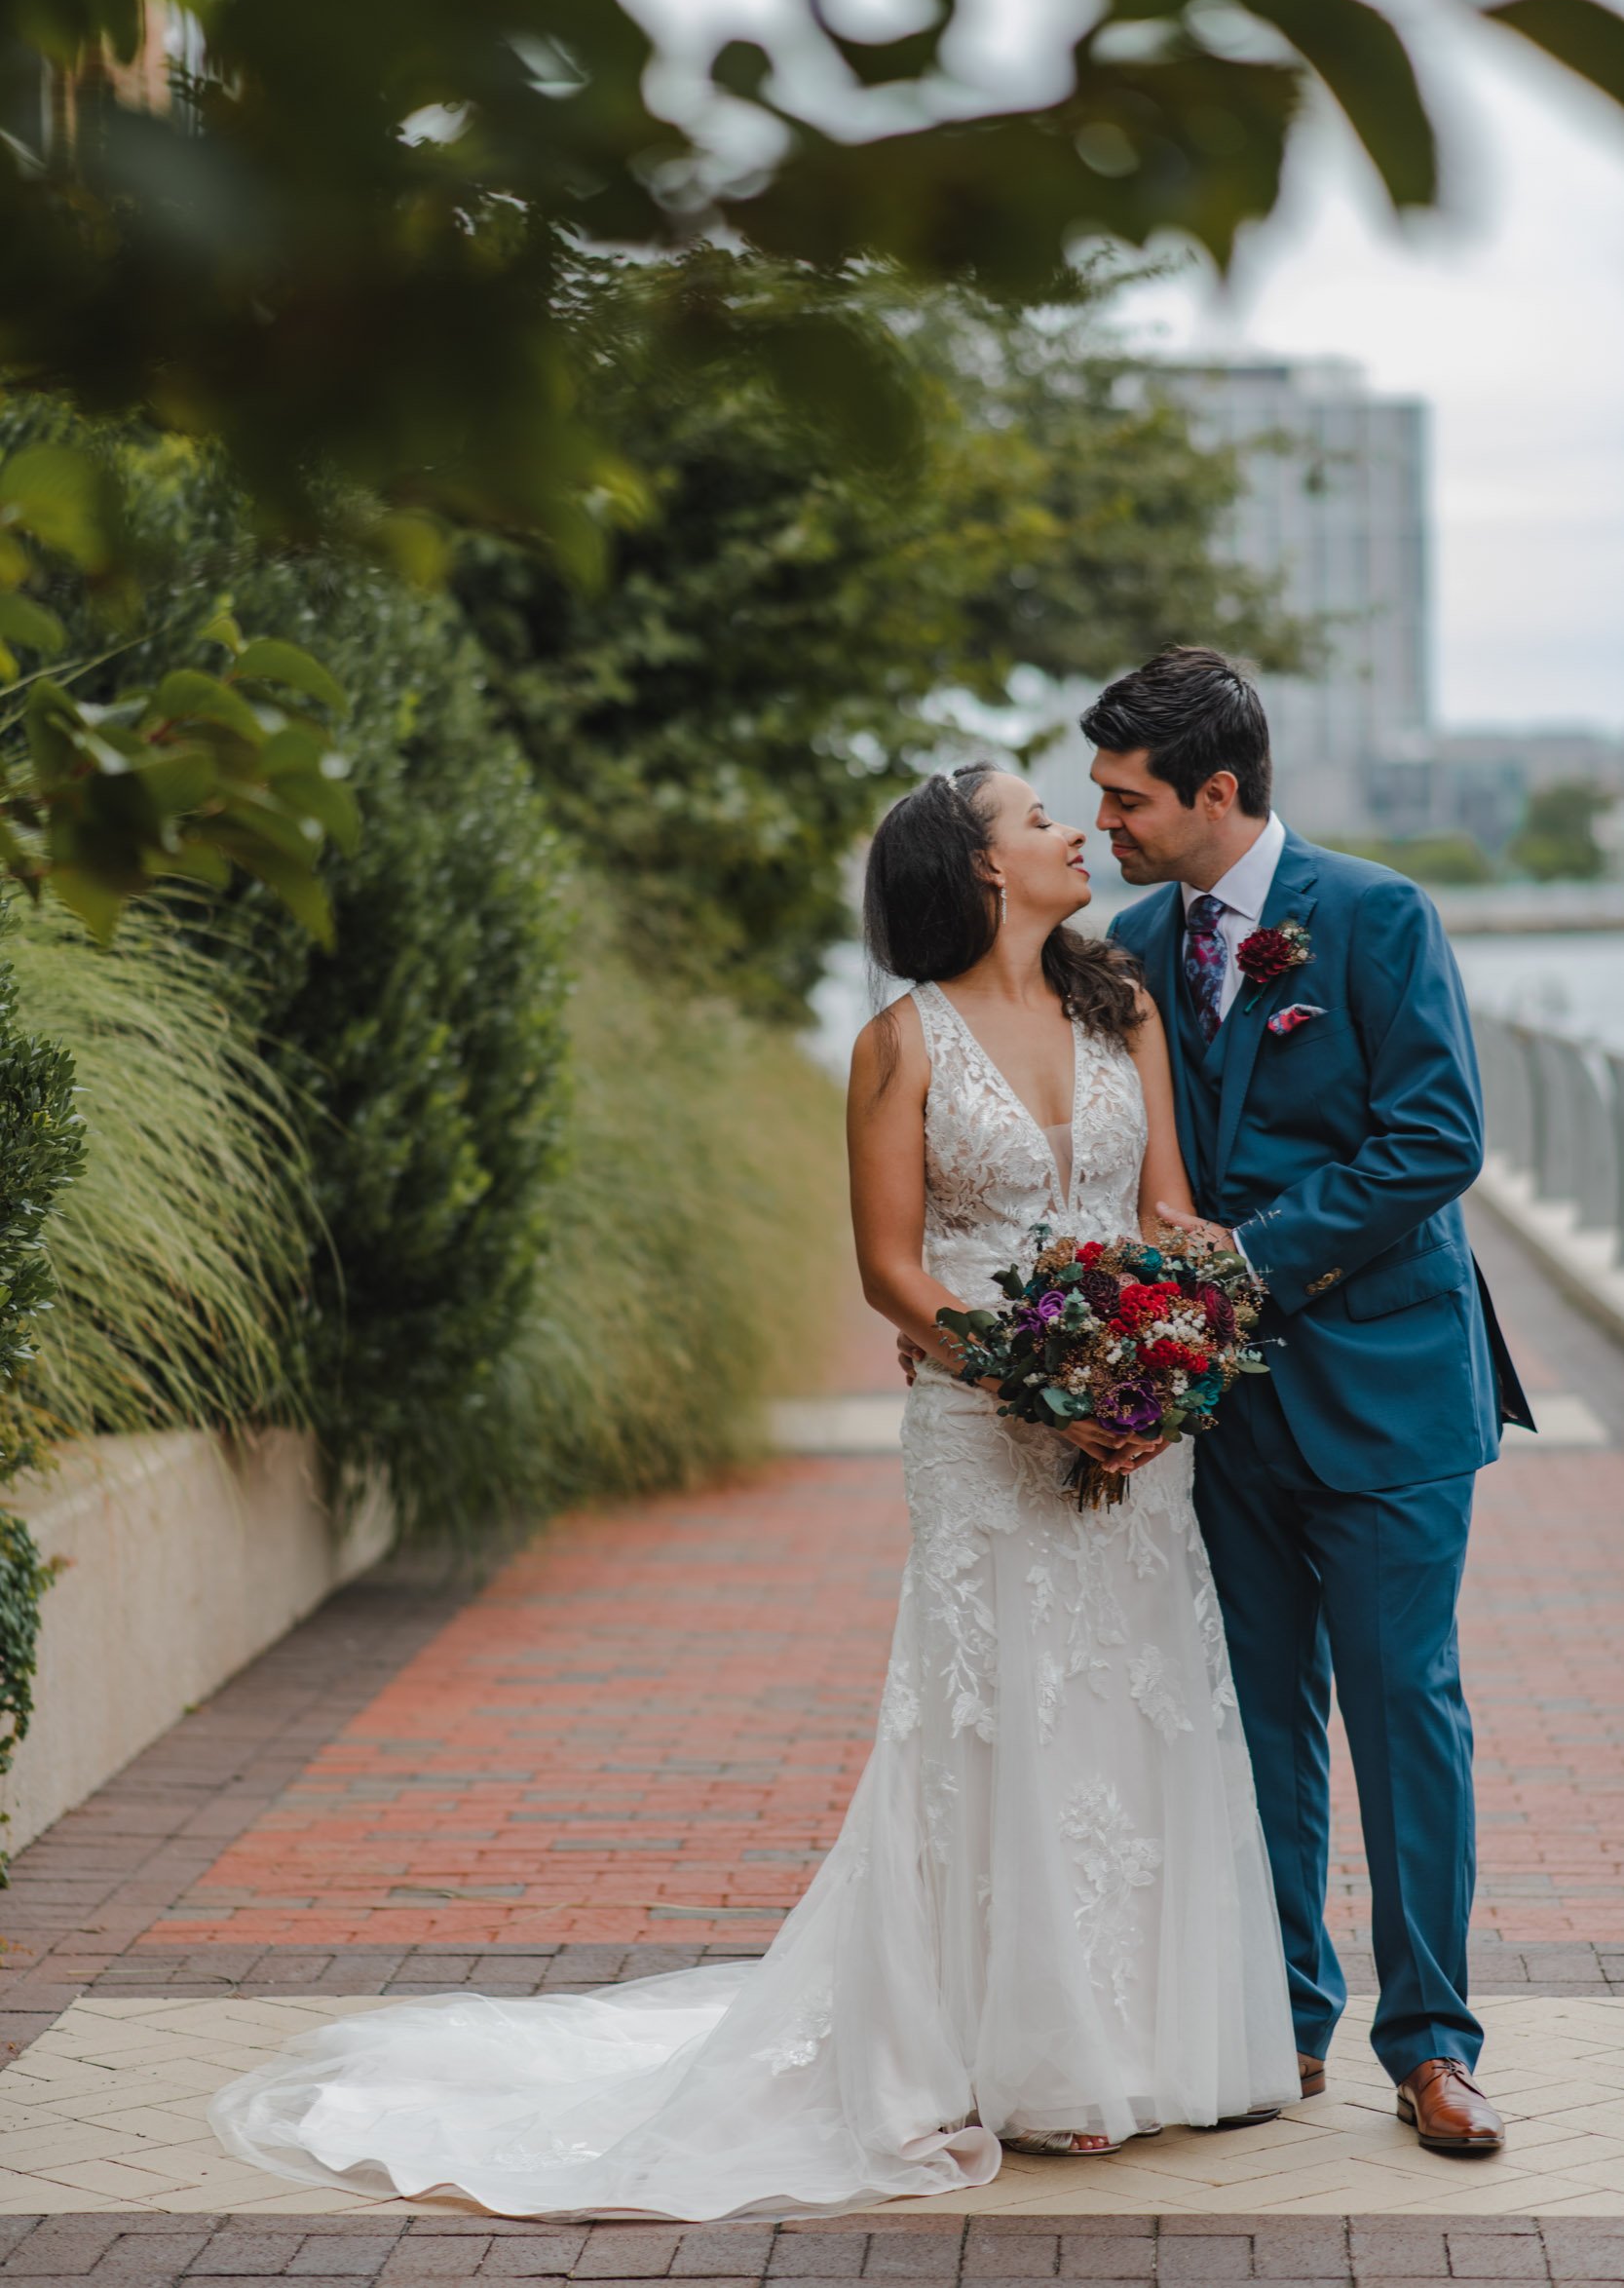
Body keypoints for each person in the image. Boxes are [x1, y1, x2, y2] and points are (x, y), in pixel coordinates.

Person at [208, 760, 1298, 2219]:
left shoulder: (1126, 1007)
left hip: (1132, 1439)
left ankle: (1142, 2049)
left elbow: (1162, 1210)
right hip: (984, 1434)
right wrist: (1039, 1385)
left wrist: (1159, 1373)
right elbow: (892, 1274)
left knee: (1135, 1701)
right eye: (1037, 818)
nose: (1072, 833)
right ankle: (989, 2057)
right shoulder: (897, 1045)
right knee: (992, 1718)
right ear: (979, 867)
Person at [1081, 645, 1531, 2157]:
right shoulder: (1131, 943)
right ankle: (1283, 2020)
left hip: (1392, 1392)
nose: (1106, 822)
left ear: (1219, 792)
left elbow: (1436, 1142)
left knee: (1408, 1710)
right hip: (1222, 1412)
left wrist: (1245, 1261)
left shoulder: (1378, 915)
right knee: (1257, 1719)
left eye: (1128, 796)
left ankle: (1436, 2046)